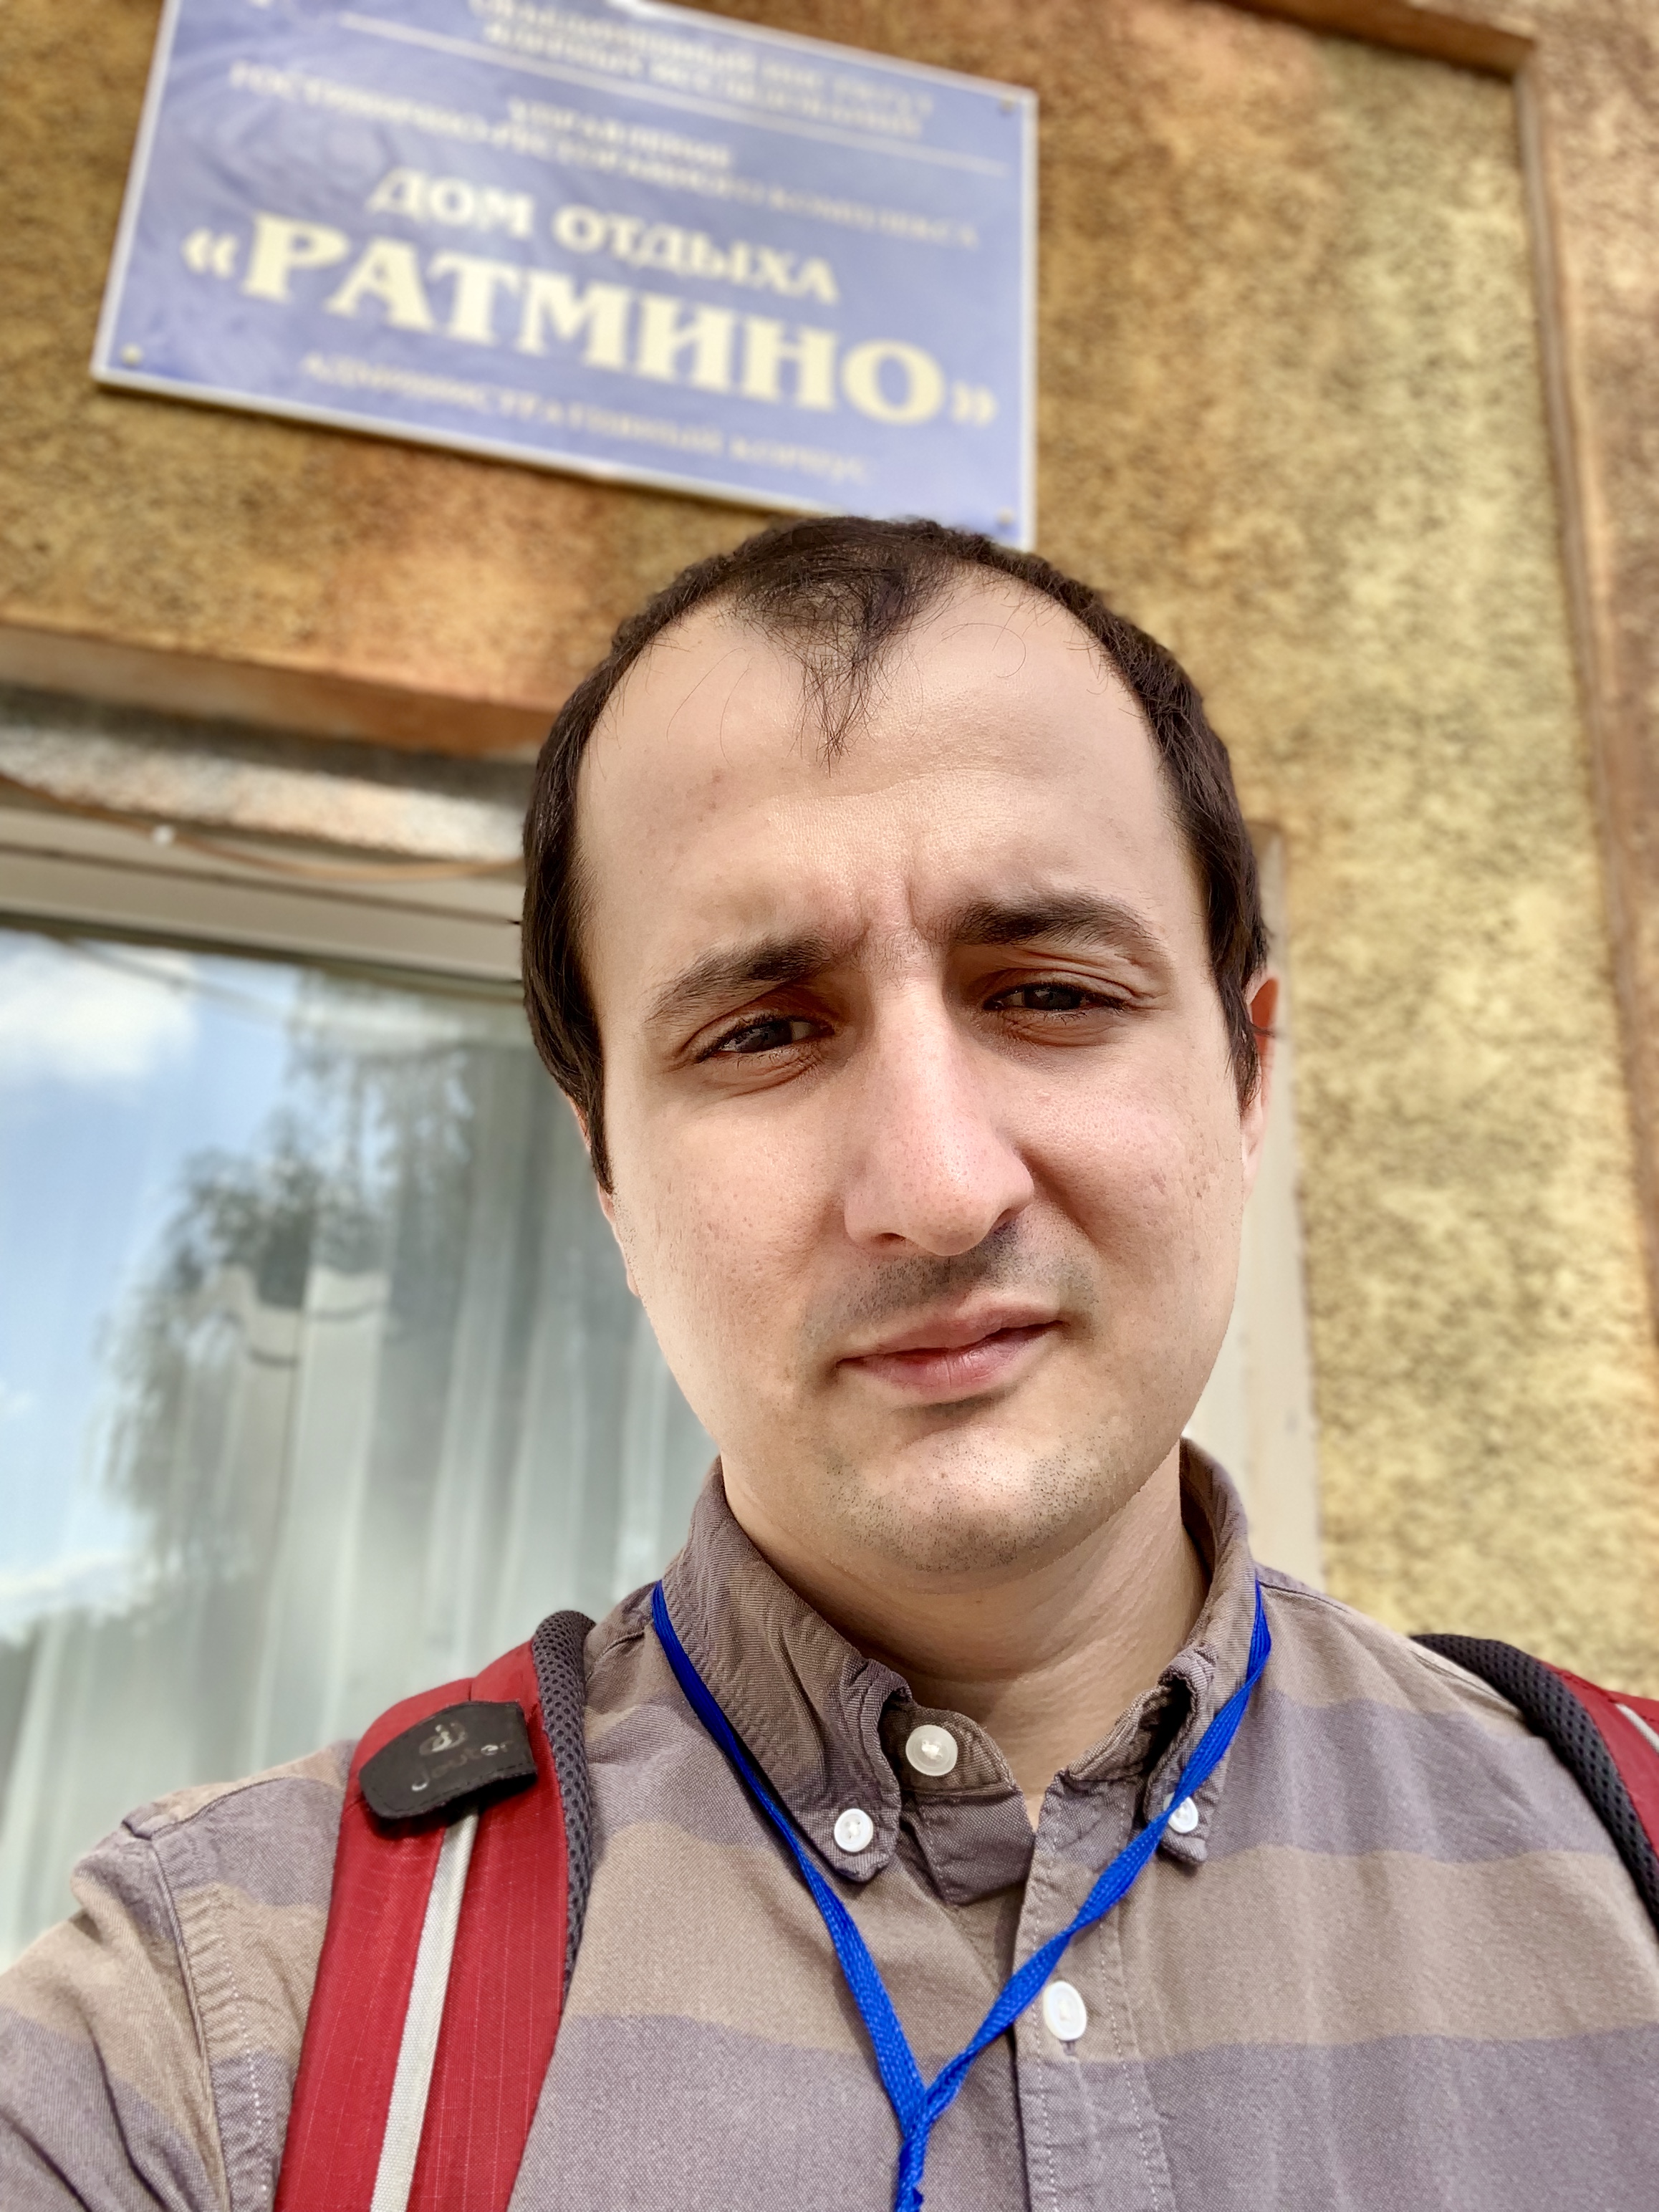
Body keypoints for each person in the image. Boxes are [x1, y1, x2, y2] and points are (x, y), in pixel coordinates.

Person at [3, 517, 1657, 2210]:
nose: (936, 1186)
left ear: (1246, 1080)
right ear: (609, 1176)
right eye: (764, 1032)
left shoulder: (1634, 1856)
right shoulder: (212, 2028)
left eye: (1052, 993)